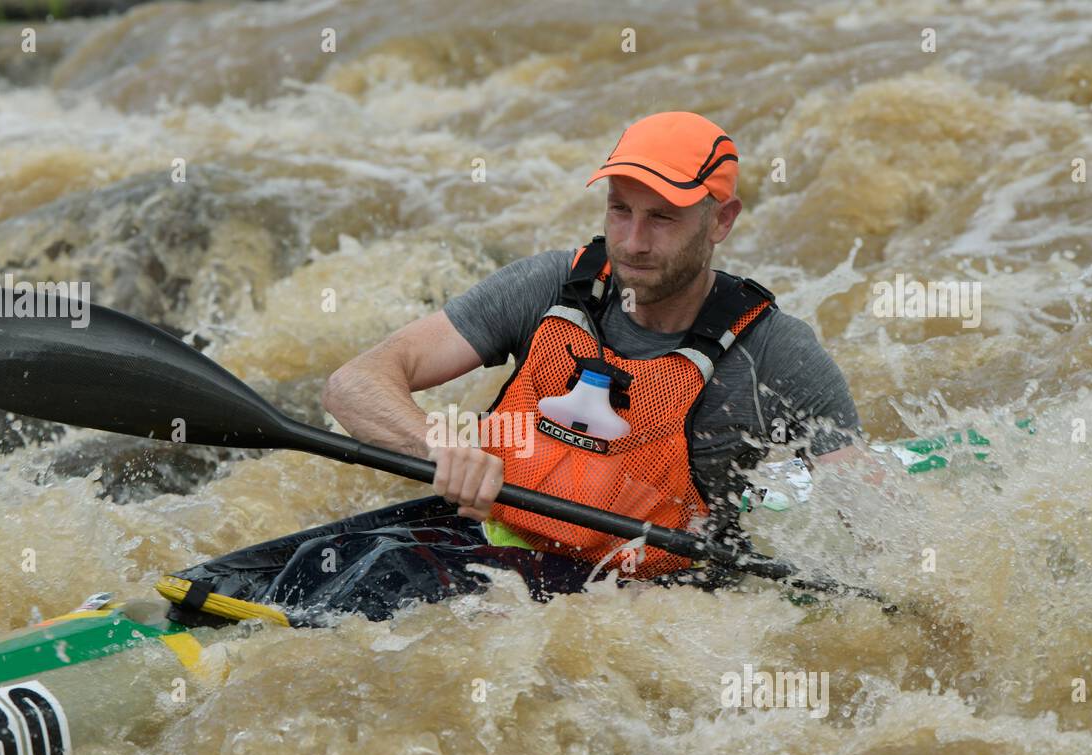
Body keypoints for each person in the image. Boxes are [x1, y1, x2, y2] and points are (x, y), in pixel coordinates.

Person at [168, 111, 863, 627]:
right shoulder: (551, 287)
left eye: (662, 219)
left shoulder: (778, 352)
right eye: (619, 211)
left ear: (722, 221)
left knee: (373, 584)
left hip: (637, 592)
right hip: (489, 531)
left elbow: (869, 507)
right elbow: (354, 384)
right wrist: (439, 445)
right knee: (282, 571)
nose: (632, 241)